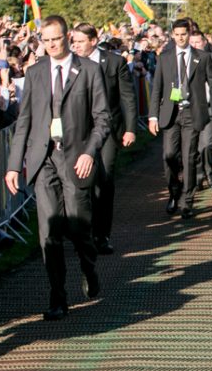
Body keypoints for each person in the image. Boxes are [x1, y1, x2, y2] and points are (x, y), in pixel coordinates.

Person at [5, 15, 111, 321]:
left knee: (79, 229)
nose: (51, 45)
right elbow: (24, 121)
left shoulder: (89, 70)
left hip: (76, 158)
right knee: (49, 232)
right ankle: (57, 296)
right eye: (46, 40)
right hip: (44, 160)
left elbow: (102, 118)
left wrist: (90, 152)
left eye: (56, 39)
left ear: (67, 37)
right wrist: (14, 165)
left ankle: (89, 268)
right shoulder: (35, 72)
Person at [148, 19, 212, 219]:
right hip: (171, 113)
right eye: (177, 34)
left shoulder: (202, 58)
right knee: (169, 155)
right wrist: (152, 116)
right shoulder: (165, 58)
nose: (181, 37)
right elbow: (157, 88)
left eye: (184, 34)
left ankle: (187, 200)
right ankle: (174, 192)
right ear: (172, 35)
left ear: (189, 35)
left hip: (192, 113)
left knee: (189, 156)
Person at [70, 23, 138, 255]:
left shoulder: (114, 62)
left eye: (80, 41)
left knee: (104, 181)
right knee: (81, 180)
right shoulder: (71, 64)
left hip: (108, 130)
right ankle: (83, 231)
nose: (75, 46)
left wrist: (130, 128)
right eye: (74, 41)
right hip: (80, 131)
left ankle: (102, 235)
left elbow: (127, 97)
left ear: (93, 40)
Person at [189, 31, 212, 189]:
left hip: (209, 109)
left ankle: (209, 172)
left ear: (204, 43)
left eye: (197, 42)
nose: (195, 45)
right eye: (191, 42)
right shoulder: (184, 61)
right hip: (190, 110)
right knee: (193, 146)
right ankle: (199, 175)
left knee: (206, 144)